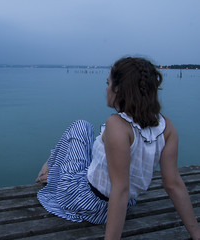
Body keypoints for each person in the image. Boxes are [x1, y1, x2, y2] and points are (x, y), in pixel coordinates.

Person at [36, 57, 200, 239]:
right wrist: (196, 233)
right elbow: (173, 183)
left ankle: (50, 167)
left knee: (81, 127)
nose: (106, 88)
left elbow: (120, 188)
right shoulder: (167, 127)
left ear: (118, 89)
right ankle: (51, 168)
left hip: (84, 201)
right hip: (122, 207)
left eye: (108, 83)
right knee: (93, 151)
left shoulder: (117, 125)